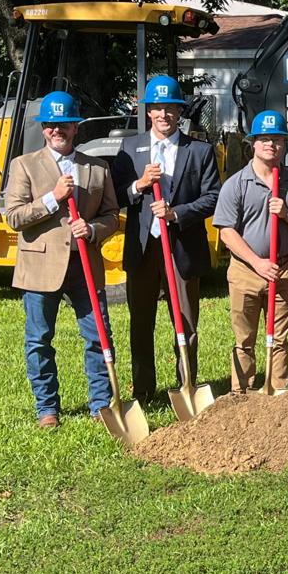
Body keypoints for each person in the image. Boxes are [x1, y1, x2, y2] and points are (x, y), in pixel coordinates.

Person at [3, 91, 120, 427]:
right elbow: (14, 217)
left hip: (85, 264)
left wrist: (94, 229)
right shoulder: (24, 165)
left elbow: (112, 214)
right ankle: (47, 408)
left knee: (98, 336)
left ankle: (101, 404)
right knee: (39, 339)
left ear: (75, 128)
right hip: (40, 266)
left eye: (65, 125)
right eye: (52, 125)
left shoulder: (97, 168)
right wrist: (53, 199)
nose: (58, 130)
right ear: (44, 129)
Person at [112, 75, 221, 405]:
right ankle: (144, 390)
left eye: (170, 107)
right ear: (148, 112)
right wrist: (139, 185)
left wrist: (177, 213)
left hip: (181, 248)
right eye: (157, 107)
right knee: (140, 322)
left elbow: (214, 196)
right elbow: (116, 195)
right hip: (143, 248)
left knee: (185, 323)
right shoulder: (130, 149)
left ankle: (186, 383)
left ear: (179, 111)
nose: (164, 114)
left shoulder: (199, 150)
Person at [212, 110, 288, 394]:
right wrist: (257, 263)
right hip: (247, 270)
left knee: (279, 337)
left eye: (278, 140)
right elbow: (227, 232)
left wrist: (287, 214)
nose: (272, 145)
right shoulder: (236, 184)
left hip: (283, 268)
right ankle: (241, 394)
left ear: (284, 145)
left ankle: (277, 393)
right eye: (265, 139)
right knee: (244, 338)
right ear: (253, 144)